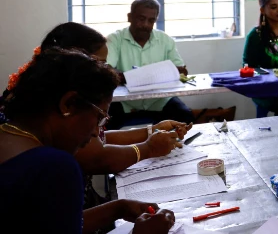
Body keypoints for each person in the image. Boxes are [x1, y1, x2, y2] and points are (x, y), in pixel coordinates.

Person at [0, 48, 175, 233]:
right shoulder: (52, 166)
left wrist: (117, 208)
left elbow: (50, 223)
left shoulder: (7, 132)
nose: (96, 133)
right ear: (68, 104)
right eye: (99, 118)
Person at [36, 22, 192, 214]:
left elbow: (98, 139)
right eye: (99, 64)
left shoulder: (55, 93)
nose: (103, 70)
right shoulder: (55, 107)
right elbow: (97, 156)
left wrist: (151, 131)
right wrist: (149, 148)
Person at [106, 0, 194, 129]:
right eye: (141, 19)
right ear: (130, 17)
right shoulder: (115, 39)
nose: (146, 25)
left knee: (185, 116)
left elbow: (181, 71)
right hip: (125, 102)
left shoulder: (165, 40)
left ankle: (178, 148)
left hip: (159, 100)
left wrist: (178, 71)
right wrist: (135, 77)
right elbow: (106, 70)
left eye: (151, 20)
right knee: (105, 122)